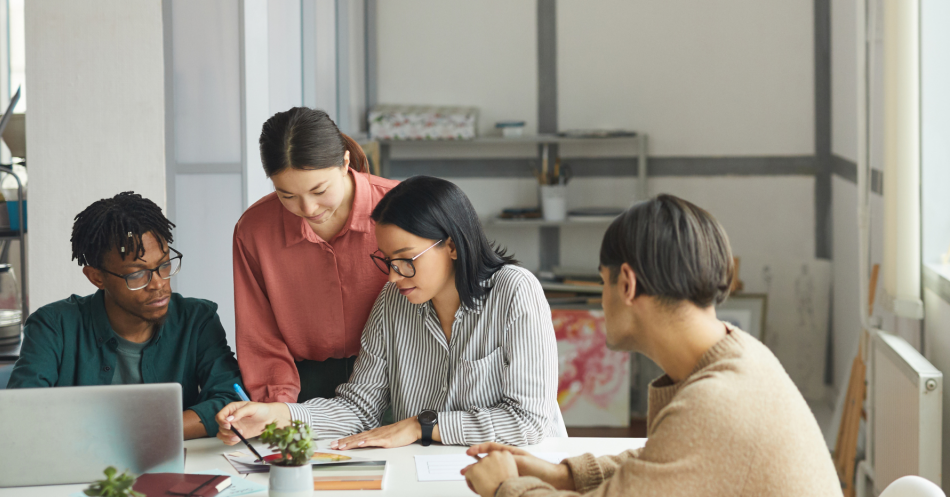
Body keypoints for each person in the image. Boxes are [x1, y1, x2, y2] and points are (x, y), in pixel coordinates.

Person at [461, 194, 843, 497]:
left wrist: (503, 488)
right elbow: (662, 458)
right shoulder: (739, 352)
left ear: (626, 283)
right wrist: (560, 475)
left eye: (601, 283)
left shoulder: (715, 403)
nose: (600, 300)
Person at [217, 176, 562, 449]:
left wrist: (422, 425)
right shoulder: (392, 301)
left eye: (405, 260)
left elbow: (528, 421)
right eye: (386, 260)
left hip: (521, 472)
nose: (393, 275)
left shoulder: (515, 291)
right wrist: (276, 415)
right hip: (426, 474)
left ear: (452, 246)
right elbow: (359, 408)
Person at [8, 192, 243, 440]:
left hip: (172, 467)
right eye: (137, 275)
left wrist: (135, 430)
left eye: (164, 265)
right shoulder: (53, 327)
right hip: (79, 472)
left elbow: (230, 400)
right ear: (96, 277)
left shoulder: (196, 320)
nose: (159, 284)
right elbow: (22, 412)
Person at [233, 107, 398, 403]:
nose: (308, 209)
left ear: (345, 162)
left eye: (319, 190)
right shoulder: (255, 229)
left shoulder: (401, 207)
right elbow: (259, 335)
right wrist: (279, 409)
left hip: (399, 377)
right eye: (288, 196)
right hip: (301, 386)